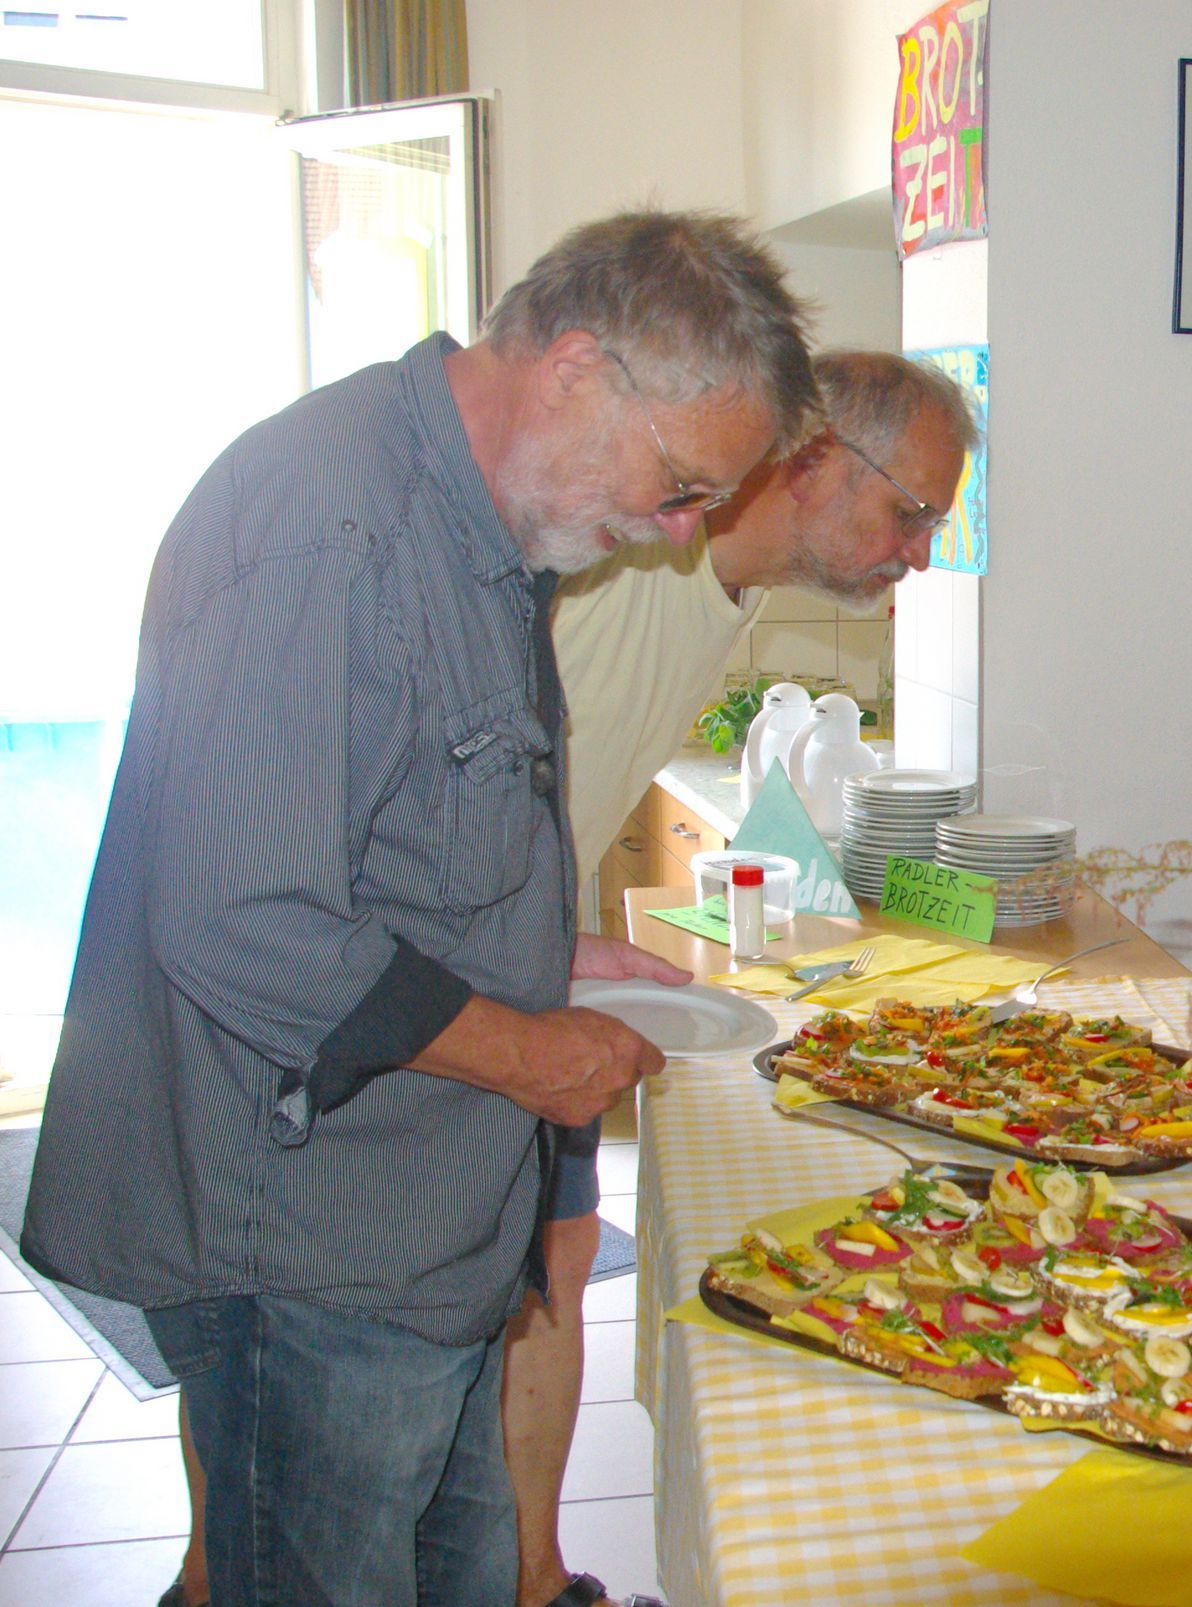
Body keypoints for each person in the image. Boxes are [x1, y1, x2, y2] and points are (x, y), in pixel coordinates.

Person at [22, 208, 813, 1607]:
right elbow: (238, 908)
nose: (684, 530)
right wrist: (523, 1046)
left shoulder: (488, 522)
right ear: (576, 368)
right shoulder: (328, 525)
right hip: (307, 1234)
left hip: (422, 1228)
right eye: (685, 484)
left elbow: (381, 833)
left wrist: (536, 950)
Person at [501, 350, 974, 1607]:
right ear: (815, 457)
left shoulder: (730, 588)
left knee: (555, 1255)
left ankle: (535, 1582)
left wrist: (546, 937)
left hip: (516, 957)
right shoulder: (617, 564)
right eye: (912, 511)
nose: (919, 551)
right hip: (444, 983)